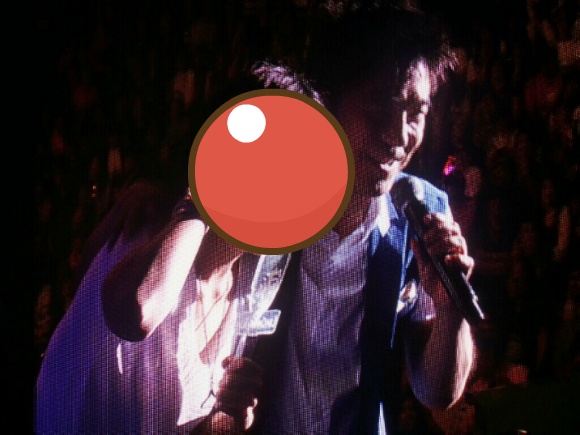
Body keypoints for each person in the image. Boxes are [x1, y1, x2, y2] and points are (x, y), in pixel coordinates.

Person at [36, 4, 475, 434]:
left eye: (417, 112)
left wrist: (451, 306)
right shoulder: (223, 227)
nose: (399, 135)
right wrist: (190, 194)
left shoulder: (420, 215)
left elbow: (438, 393)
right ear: (333, 105)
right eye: (380, 108)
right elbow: (131, 306)